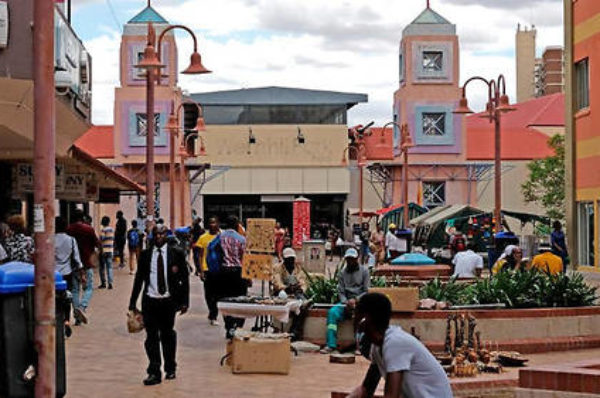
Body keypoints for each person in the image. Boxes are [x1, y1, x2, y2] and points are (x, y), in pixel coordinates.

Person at [347, 293, 452, 398]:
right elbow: (366, 390)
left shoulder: (395, 343)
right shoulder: (377, 346)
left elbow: (391, 396)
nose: (353, 319)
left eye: (356, 314)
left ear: (365, 319)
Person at [128, 224, 190, 386]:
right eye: (156, 234)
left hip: (169, 301)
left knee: (168, 335)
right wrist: (133, 302)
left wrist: (185, 301)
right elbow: (139, 279)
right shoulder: (146, 255)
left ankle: (170, 367)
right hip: (150, 301)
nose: (158, 237)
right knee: (151, 337)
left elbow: (185, 279)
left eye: (161, 234)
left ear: (166, 235)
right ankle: (154, 371)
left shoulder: (176, 254)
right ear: (152, 236)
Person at [320, 248, 370, 354]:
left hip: (360, 302)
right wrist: (345, 301)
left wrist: (356, 300)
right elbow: (341, 291)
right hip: (345, 303)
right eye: (348, 259)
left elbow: (366, 291)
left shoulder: (364, 271)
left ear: (357, 259)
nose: (350, 262)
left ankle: (359, 346)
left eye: (352, 259)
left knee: (360, 317)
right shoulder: (342, 273)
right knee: (332, 312)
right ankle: (331, 344)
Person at [67, 210, 101, 325]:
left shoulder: (69, 229)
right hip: (87, 263)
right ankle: (82, 306)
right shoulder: (89, 229)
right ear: (83, 218)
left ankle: (77, 316)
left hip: (74, 264)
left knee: (75, 290)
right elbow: (97, 244)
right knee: (89, 288)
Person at [272, 247, 311, 341]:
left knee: (303, 305)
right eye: (288, 259)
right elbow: (277, 282)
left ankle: (295, 330)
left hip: (296, 293)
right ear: (284, 259)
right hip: (283, 293)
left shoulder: (298, 268)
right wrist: (286, 288)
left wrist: (300, 288)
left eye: (292, 259)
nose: (290, 261)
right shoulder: (277, 267)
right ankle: (288, 330)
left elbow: (303, 281)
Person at [54, 216, 83, 338]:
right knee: (67, 296)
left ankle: (55, 319)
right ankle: (66, 319)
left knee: (53, 297)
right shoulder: (71, 240)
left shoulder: (50, 239)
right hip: (67, 273)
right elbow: (77, 259)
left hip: (53, 274)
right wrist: (82, 273)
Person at [219, 215, 248, 338]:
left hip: (224, 271)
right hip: (238, 272)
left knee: (226, 299)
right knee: (241, 299)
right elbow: (245, 258)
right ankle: (238, 325)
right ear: (237, 225)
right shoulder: (241, 239)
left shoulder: (219, 237)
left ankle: (229, 326)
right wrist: (248, 276)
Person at [194, 216, 221, 326]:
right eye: (210, 222)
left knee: (218, 294)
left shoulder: (222, 237)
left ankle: (214, 312)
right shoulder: (203, 238)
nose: (212, 225)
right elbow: (199, 256)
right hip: (207, 269)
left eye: (214, 222)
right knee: (209, 294)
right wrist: (200, 270)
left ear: (218, 224)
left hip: (219, 270)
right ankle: (212, 314)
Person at [98, 216, 114, 289]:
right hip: (110, 250)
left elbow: (101, 239)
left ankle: (103, 283)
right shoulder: (112, 230)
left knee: (102, 267)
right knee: (109, 267)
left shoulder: (103, 230)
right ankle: (110, 283)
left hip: (103, 251)